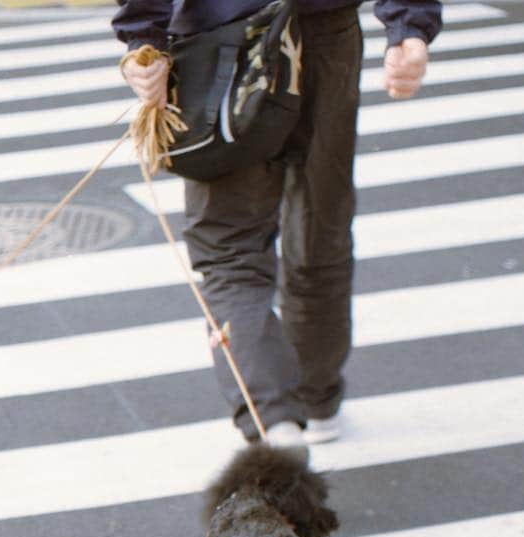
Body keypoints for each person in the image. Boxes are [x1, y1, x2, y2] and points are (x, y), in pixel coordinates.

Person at [115, 0, 443, 447]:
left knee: (229, 251)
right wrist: (410, 24)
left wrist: (144, 37)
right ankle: (315, 399)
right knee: (319, 231)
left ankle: (272, 420)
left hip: (223, 37)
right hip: (323, 35)